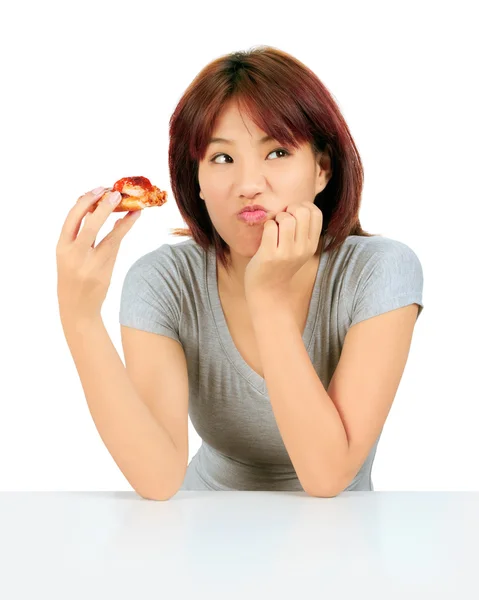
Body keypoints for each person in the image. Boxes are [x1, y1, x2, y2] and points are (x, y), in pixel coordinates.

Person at [57, 46, 424, 499]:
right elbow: (158, 479)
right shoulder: (163, 281)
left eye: (277, 152)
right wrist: (81, 319)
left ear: (322, 168)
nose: (249, 184)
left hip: (339, 539)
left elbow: (329, 477)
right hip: (200, 530)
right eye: (222, 159)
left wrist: (267, 298)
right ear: (196, 181)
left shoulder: (379, 271)